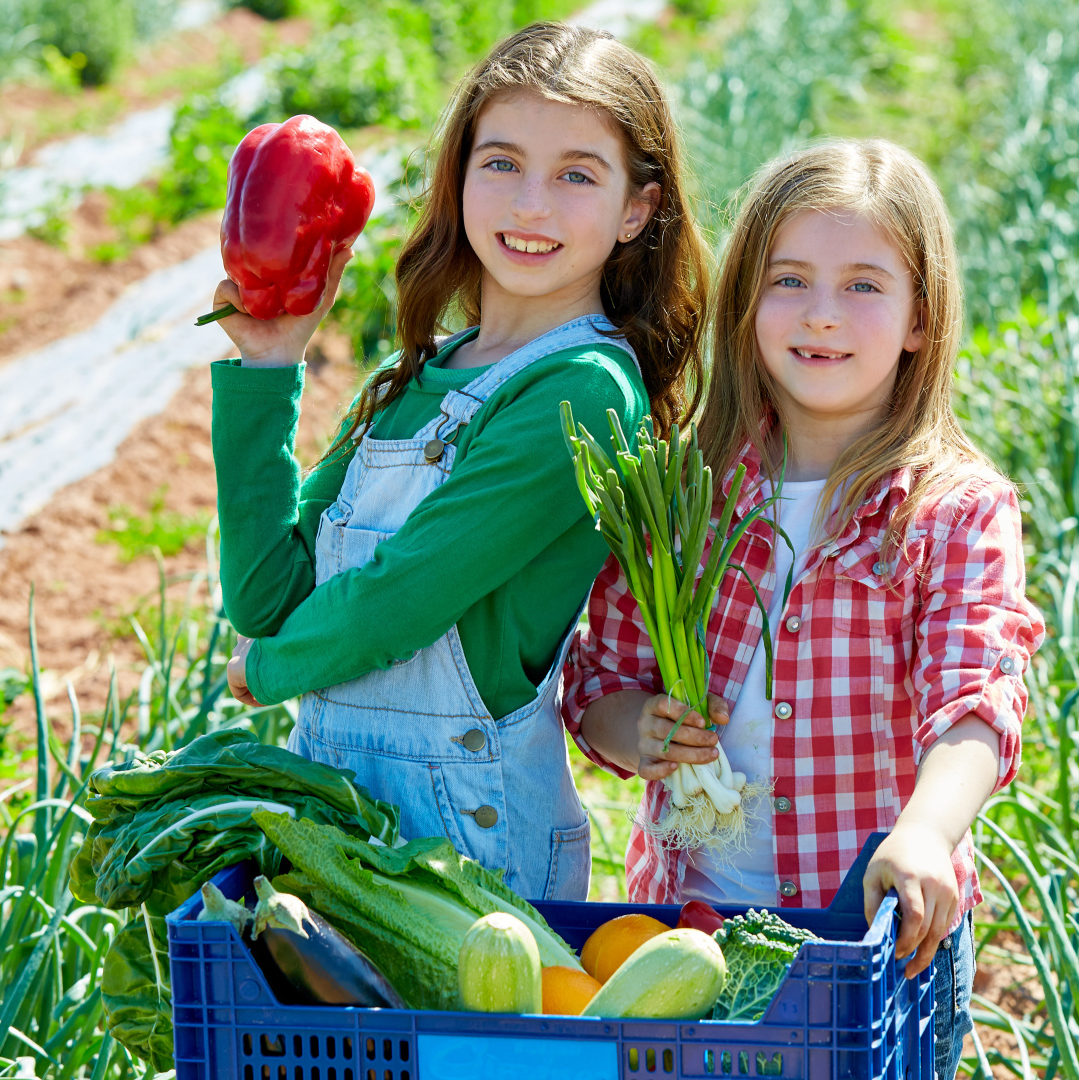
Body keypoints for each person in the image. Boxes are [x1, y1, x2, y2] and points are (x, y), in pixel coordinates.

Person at [567, 138, 1045, 1075]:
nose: (823, 315)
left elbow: (977, 703)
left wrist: (927, 830)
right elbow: (602, 679)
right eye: (790, 280)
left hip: (866, 947)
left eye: (865, 285)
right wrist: (639, 729)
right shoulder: (686, 487)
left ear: (920, 318)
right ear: (747, 303)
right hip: (688, 935)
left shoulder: (951, 509)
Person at [205, 22, 707, 901]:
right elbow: (266, 597)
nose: (530, 205)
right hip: (339, 831)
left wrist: (269, 668)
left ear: (639, 209)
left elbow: (400, 600)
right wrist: (267, 367)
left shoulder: (584, 394)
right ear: (461, 175)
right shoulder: (414, 376)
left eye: (576, 175)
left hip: (476, 844)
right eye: (502, 163)